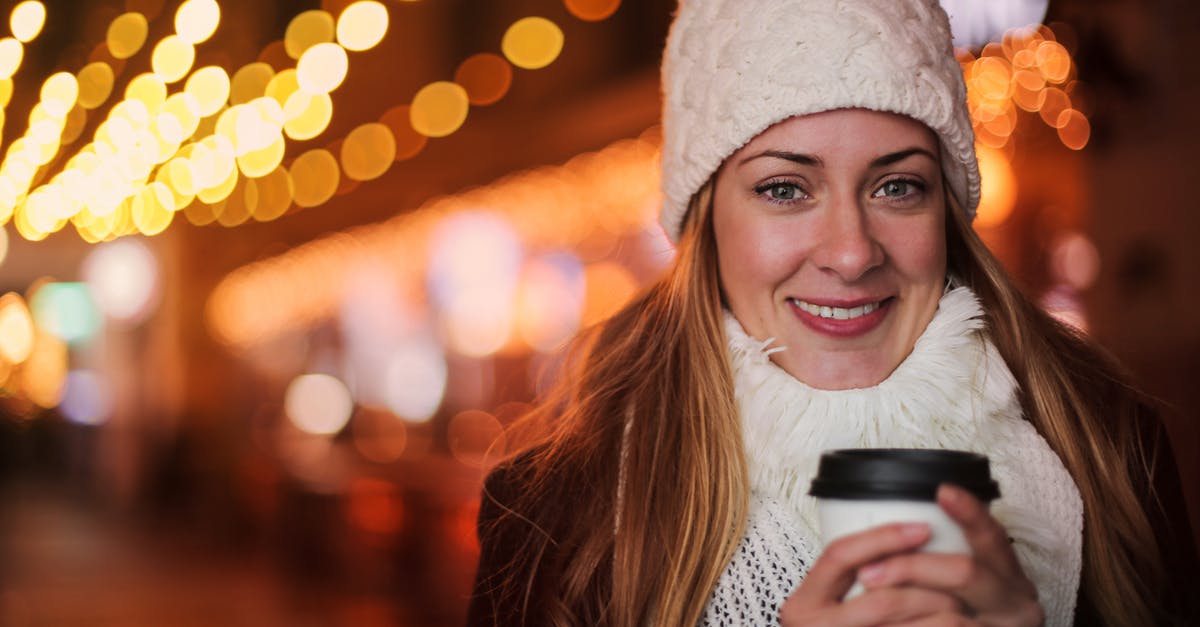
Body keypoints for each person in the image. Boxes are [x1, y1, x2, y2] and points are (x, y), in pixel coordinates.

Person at [466, 0, 1199, 625]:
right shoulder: (552, 516)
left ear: (945, 209)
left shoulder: (1108, 451)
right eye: (785, 189)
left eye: (897, 187)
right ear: (706, 220)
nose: (851, 254)